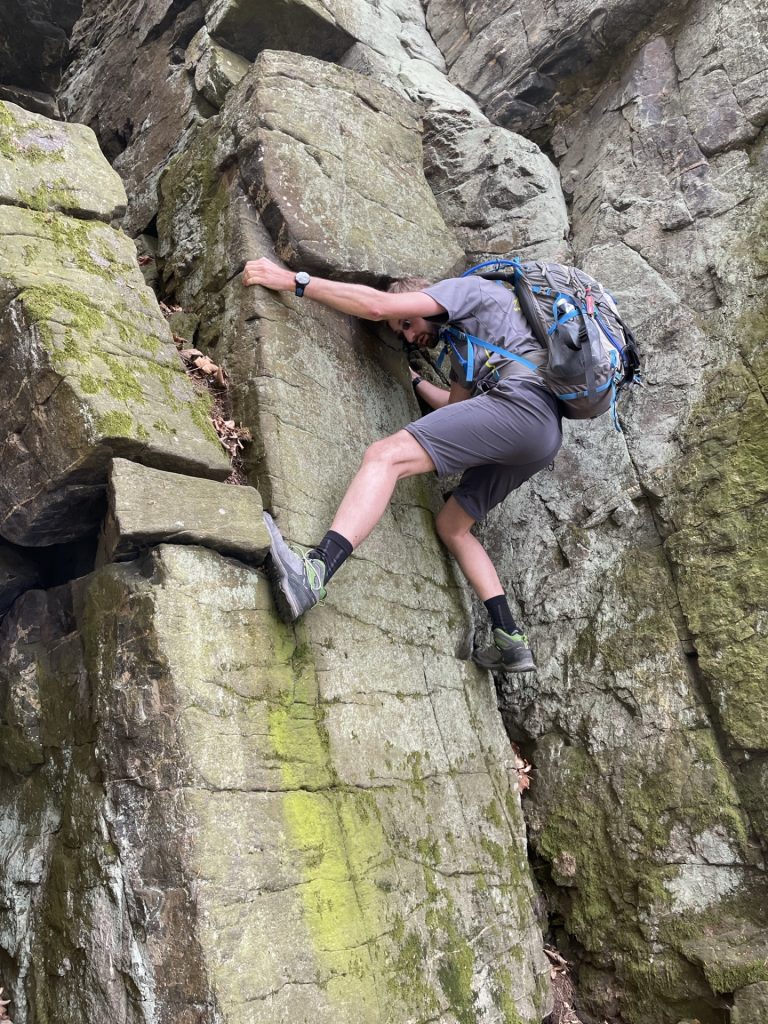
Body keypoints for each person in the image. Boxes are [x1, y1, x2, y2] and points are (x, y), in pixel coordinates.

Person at [242, 257, 563, 672]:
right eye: (403, 335)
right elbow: (454, 408)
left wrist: (291, 280)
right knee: (452, 525)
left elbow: (377, 307)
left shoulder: (465, 290)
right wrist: (414, 381)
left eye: (408, 324)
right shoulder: (469, 343)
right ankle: (510, 638)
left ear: (422, 298)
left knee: (385, 456)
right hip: (542, 435)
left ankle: (314, 574)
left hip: (519, 406)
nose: (409, 336)